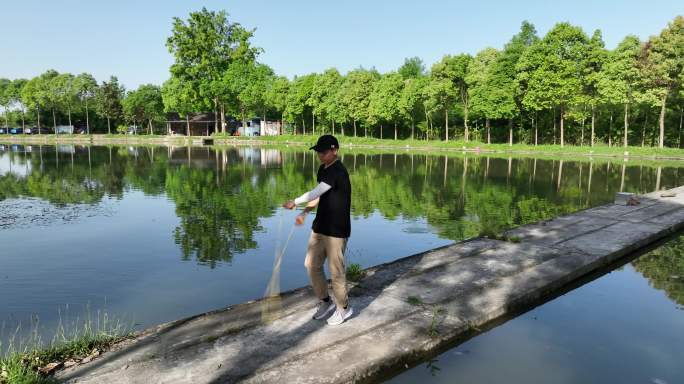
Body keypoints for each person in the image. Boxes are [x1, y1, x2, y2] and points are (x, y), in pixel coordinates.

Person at [283, 134, 353, 326]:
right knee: (311, 265)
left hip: (336, 230)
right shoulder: (323, 169)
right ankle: (326, 302)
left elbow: (315, 192)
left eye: (323, 152)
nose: (320, 155)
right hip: (320, 226)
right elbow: (320, 195)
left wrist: (295, 202)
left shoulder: (338, 171)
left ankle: (344, 309)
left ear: (334, 151)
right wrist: (305, 213)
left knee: (336, 271)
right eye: (318, 152)